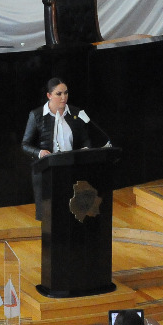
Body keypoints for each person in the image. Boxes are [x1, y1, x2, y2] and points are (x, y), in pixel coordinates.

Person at [21, 78, 98, 219]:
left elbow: (85, 138)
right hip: (47, 171)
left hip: (71, 169)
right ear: (49, 95)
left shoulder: (76, 113)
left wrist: (86, 149)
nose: (64, 97)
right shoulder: (37, 115)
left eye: (66, 93)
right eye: (59, 94)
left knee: (72, 212)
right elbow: (25, 145)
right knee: (48, 215)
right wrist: (40, 152)